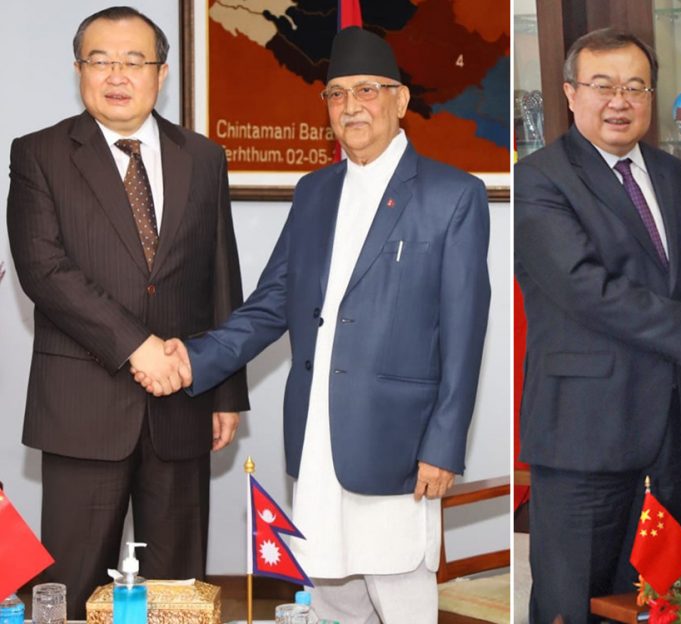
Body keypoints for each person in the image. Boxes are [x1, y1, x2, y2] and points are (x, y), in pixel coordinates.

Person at [137, 27, 490, 624]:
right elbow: (272, 302)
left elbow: (464, 332)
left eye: (368, 91)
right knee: (329, 591)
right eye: (336, 94)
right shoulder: (314, 191)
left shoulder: (452, 195)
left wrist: (444, 445)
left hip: (398, 441)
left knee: (399, 587)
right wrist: (194, 359)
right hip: (318, 433)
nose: (351, 106)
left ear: (401, 101)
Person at [5, 6, 248, 618]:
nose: (117, 74)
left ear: (160, 73)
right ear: (79, 69)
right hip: (83, 407)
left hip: (184, 403)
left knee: (175, 591)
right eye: (101, 59)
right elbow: (44, 272)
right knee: (72, 583)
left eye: (134, 60)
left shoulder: (203, 156)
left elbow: (221, 274)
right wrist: (138, 347)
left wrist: (225, 391)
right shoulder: (39, 154)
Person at [514, 28, 681, 624]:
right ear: (570, 94)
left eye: (635, 86)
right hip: (583, 437)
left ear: (650, 95)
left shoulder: (671, 175)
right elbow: (585, 289)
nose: (619, 100)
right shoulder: (539, 179)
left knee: (655, 601)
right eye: (602, 86)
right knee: (575, 604)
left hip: (666, 437)